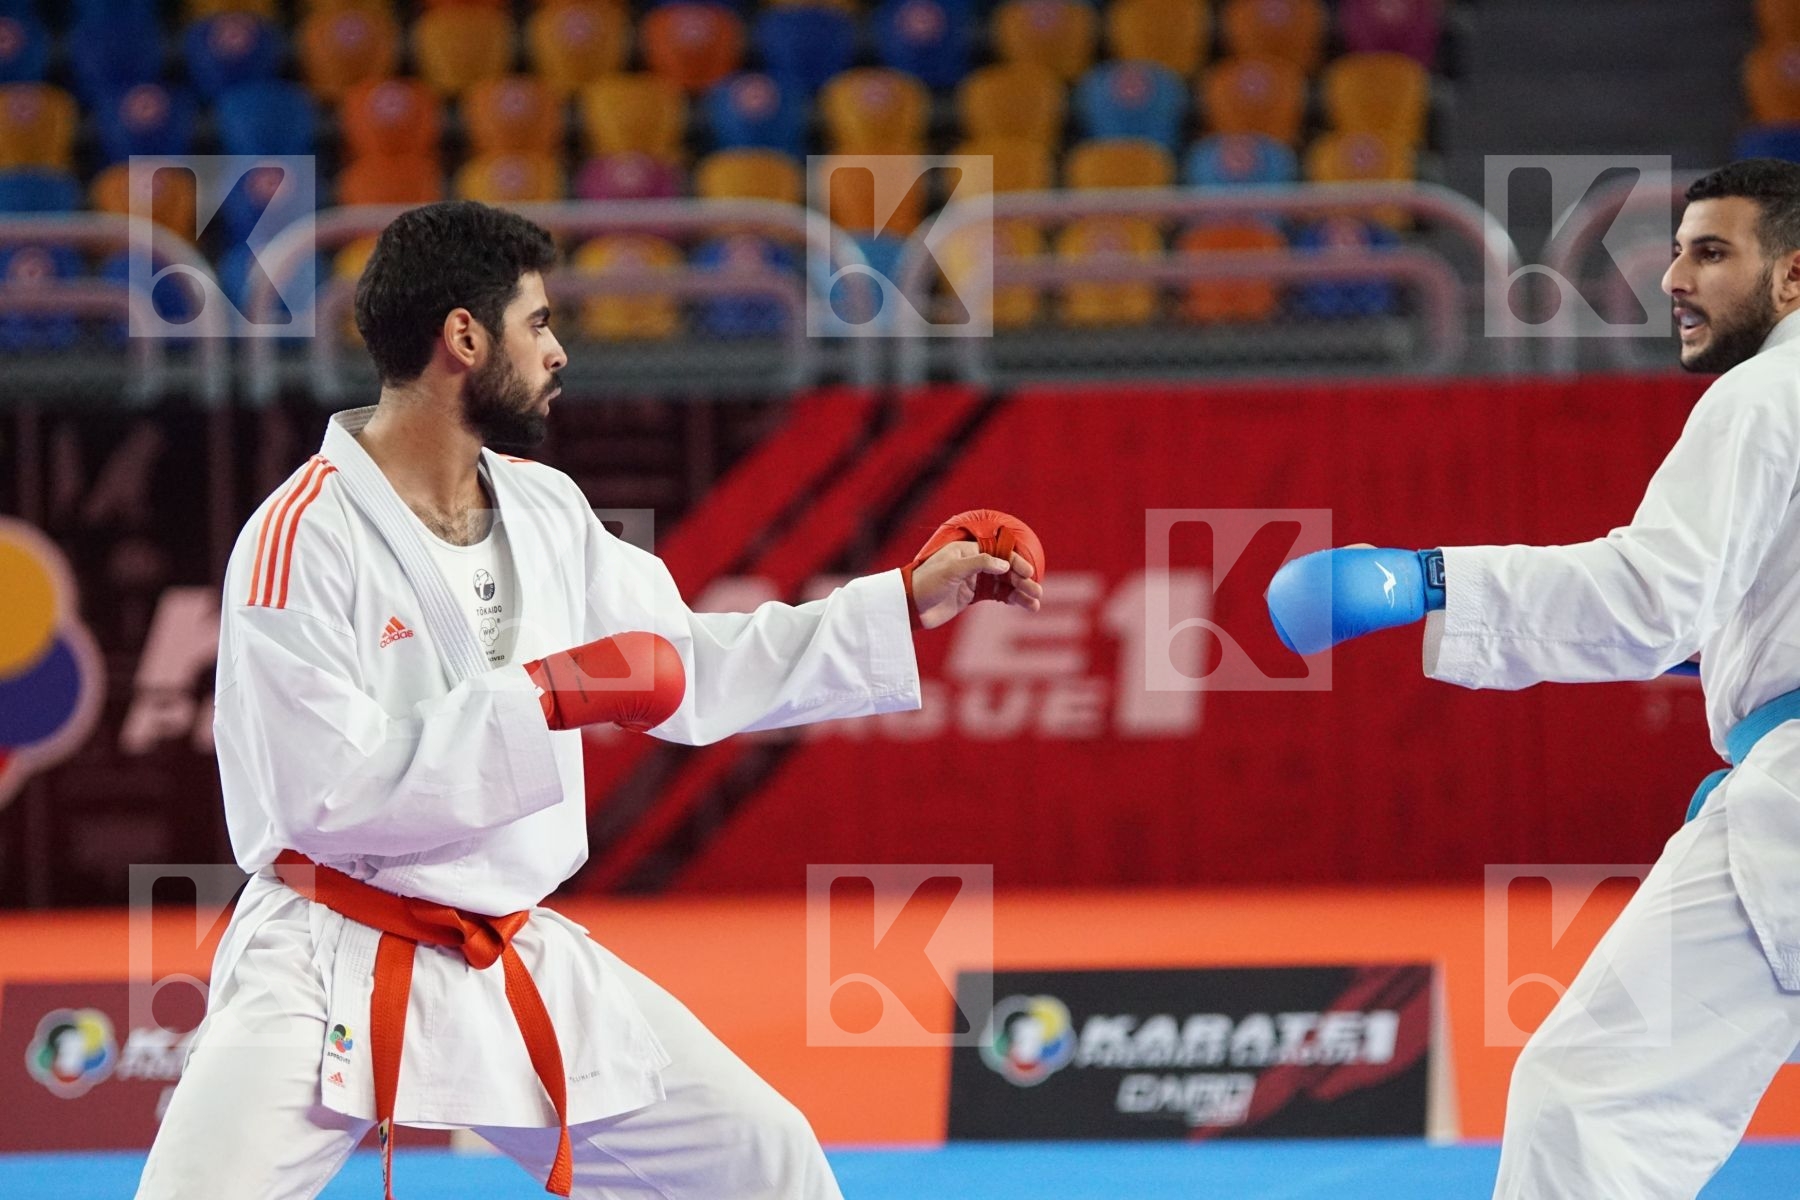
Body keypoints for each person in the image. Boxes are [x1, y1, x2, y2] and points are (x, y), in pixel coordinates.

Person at [135, 200, 1043, 1200]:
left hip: (508, 946)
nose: (559, 352)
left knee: (765, 1161)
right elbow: (319, 795)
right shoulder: (300, 538)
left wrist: (901, 602)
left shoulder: (544, 507)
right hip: (325, 962)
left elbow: (683, 663)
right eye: (539, 324)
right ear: (464, 338)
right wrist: (544, 697)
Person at [1267, 157, 1800, 1198]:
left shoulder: (1767, 394)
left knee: (1595, 1097)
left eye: (1713, 253)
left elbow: (1652, 598)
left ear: (1792, 279)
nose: (1677, 279)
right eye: (1679, 251)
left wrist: (1422, 580)